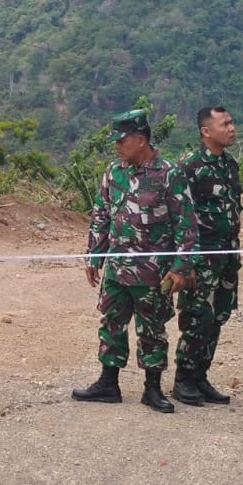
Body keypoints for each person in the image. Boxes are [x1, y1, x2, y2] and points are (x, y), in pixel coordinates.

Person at [72, 109, 198, 414]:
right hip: (117, 268)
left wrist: (181, 267)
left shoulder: (169, 174)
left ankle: (152, 388)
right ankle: (108, 383)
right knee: (111, 323)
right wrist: (94, 254)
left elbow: (186, 225)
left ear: (140, 140)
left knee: (152, 329)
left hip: (152, 271)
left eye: (122, 140)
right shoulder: (114, 171)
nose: (117, 146)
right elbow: (101, 214)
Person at [172, 106, 242, 406]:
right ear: (206, 131)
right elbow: (178, 215)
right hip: (202, 259)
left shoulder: (230, 165)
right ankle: (184, 379)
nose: (232, 128)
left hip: (227, 257)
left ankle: (201, 376)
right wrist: (184, 261)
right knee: (197, 317)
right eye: (225, 124)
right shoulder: (189, 167)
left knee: (218, 316)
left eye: (232, 122)